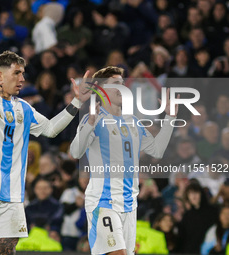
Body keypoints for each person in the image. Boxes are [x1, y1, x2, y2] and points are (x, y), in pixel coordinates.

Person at [0, 50, 85, 255]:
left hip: (12, 193)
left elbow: (51, 129)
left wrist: (77, 102)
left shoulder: (24, 109)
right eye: (17, 73)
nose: (22, 79)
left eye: (23, 73)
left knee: (6, 253)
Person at [70, 66, 178, 255]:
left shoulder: (133, 122)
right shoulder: (93, 119)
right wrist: (89, 124)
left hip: (129, 203)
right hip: (104, 202)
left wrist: (170, 117)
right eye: (116, 84)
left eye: (122, 83)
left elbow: (157, 151)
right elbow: (75, 152)